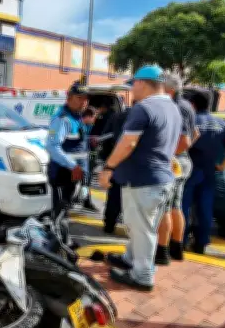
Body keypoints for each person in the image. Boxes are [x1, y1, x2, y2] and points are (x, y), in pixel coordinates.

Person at [98, 65, 180, 291]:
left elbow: (128, 143)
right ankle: (130, 258)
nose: (132, 89)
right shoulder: (172, 107)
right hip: (160, 178)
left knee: (142, 229)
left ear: (142, 83)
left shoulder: (143, 108)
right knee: (141, 225)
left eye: (133, 84)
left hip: (143, 181)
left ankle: (142, 275)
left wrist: (108, 167)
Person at [182, 91, 225, 254]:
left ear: (192, 104)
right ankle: (201, 242)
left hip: (189, 170)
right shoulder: (221, 123)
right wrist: (223, 165)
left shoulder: (190, 121)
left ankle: (181, 240)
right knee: (205, 207)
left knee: (183, 205)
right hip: (209, 171)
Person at [155, 74, 199, 264]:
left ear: (169, 90)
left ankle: (162, 251)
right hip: (183, 161)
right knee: (175, 205)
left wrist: (169, 155)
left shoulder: (175, 107)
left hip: (173, 162)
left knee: (164, 207)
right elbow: (195, 133)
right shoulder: (187, 106)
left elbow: (186, 140)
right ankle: (176, 247)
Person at [46, 83, 90, 222]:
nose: (84, 102)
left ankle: (61, 232)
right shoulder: (63, 119)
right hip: (62, 173)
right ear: (69, 98)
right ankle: (56, 233)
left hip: (73, 173)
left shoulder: (76, 117)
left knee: (65, 210)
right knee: (59, 212)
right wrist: (73, 165)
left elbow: (77, 146)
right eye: (79, 98)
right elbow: (52, 146)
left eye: (86, 99)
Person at [101, 106, 131, 233]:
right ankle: (131, 227)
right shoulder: (145, 117)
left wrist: (107, 159)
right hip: (134, 162)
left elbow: (105, 137)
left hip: (116, 159)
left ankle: (109, 223)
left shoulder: (116, 116)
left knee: (114, 193)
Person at [81, 106, 99, 212]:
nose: (94, 120)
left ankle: (86, 201)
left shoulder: (89, 126)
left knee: (86, 181)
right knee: (83, 181)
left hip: (86, 157)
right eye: (93, 117)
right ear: (88, 116)